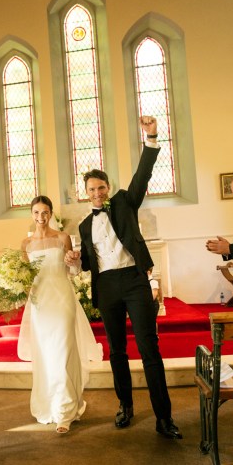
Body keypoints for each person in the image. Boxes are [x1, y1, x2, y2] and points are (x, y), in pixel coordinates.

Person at [65, 116, 182, 439]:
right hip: (106, 287)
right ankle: (125, 406)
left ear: (108, 187)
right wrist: (74, 261)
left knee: (149, 348)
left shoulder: (124, 203)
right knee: (117, 351)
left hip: (133, 281)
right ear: (85, 193)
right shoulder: (85, 226)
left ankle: (164, 418)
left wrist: (152, 136)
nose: (97, 193)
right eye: (92, 190)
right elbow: (87, 264)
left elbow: (143, 174)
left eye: (101, 187)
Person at [18, 196, 103, 434]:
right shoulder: (25, 244)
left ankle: (65, 411)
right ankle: (50, 404)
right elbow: (24, 278)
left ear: (51, 213)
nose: (41, 217)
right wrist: (19, 287)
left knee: (64, 349)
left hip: (62, 299)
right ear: (31, 214)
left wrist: (74, 261)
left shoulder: (62, 238)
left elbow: (73, 271)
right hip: (40, 304)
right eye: (36, 212)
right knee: (46, 354)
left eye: (45, 212)